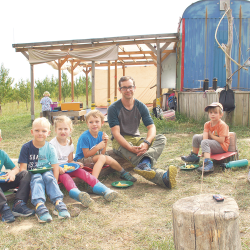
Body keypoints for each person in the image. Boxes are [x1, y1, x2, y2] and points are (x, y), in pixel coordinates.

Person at [107, 76, 177, 189]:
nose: (127, 90)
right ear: (120, 90)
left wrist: (147, 142)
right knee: (138, 159)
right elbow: (116, 134)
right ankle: (163, 177)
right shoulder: (113, 108)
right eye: (124, 88)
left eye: (130, 87)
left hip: (136, 138)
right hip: (120, 141)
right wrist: (130, 148)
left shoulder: (140, 106)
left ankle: (145, 163)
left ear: (134, 88)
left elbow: (152, 127)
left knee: (161, 138)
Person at [50, 115, 118, 202]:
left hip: (68, 168)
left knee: (84, 173)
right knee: (67, 178)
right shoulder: (52, 145)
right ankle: (78, 195)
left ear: (70, 130)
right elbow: (49, 163)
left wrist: (75, 163)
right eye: (60, 129)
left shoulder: (69, 143)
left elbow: (70, 160)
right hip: (58, 171)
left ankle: (105, 190)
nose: (63, 131)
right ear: (55, 130)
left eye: (65, 129)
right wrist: (58, 168)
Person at [18, 117, 70, 223]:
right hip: (32, 174)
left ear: (49, 133)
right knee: (37, 178)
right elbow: (23, 169)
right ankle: (39, 205)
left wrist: (54, 184)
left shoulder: (50, 148)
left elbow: (55, 167)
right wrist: (27, 188)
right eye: (37, 130)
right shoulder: (26, 147)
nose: (40, 133)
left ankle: (58, 202)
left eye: (44, 131)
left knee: (49, 176)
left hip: (46, 172)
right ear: (32, 132)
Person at [74, 110, 136, 185]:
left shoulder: (101, 135)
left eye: (97, 122)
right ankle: (92, 183)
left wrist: (105, 142)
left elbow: (102, 153)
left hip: (94, 158)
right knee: (102, 158)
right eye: (91, 122)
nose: (94, 124)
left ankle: (123, 172)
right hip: (81, 160)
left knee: (107, 158)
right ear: (87, 124)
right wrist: (97, 147)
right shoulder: (85, 137)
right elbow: (86, 155)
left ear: (102, 123)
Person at [181, 102, 230, 172]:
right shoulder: (207, 124)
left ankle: (208, 164)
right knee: (196, 137)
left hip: (221, 146)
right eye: (210, 112)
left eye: (216, 112)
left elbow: (222, 140)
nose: (213, 114)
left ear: (221, 114)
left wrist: (211, 136)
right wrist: (204, 150)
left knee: (205, 141)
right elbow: (205, 137)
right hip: (212, 143)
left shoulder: (222, 125)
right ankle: (194, 156)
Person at [0, 129, 34, 223]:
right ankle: (4, 208)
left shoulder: (2, 154)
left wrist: (12, 173)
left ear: (0, 139)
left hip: (2, 183)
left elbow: (16, 169)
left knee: (25, 173)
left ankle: (19, 204)